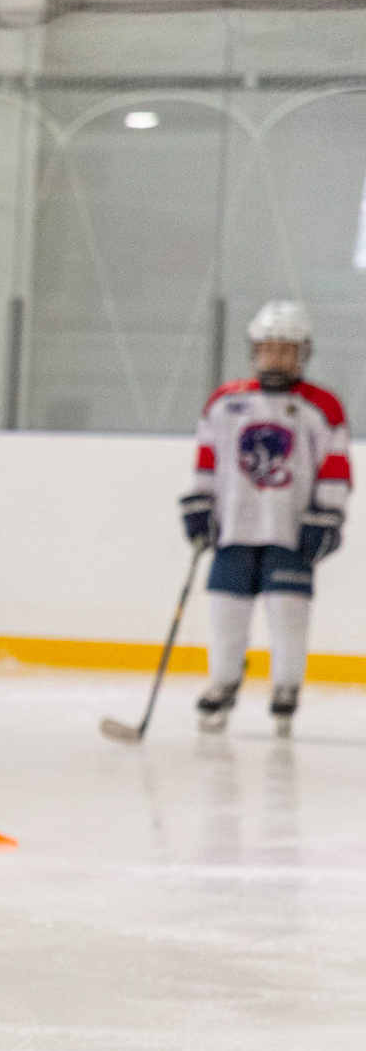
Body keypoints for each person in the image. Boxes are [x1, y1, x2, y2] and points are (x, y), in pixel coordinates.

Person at [184, 301, 350, 738]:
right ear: (254, 350)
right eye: (268, 348)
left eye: (286, 349)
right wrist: (200, 505)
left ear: (303, 353)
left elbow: (334, 466)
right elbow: (208, 460)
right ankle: (223, 683)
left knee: (288, 611)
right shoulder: (225, 402)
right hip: (234, 526)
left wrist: (328, 514)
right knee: (224, 610)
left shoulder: (322, 407)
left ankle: (285, 689)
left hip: (290, 530)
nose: (276, 357)